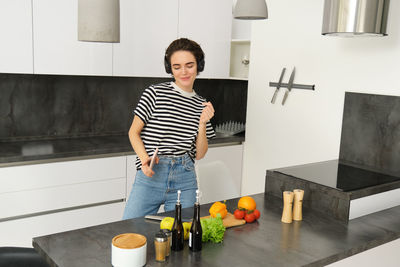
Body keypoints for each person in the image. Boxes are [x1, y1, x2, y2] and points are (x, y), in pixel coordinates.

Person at [123, 38, 216, 219]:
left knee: (181, 237)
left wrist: (203, 123)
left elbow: (199, 154)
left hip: (185, 177)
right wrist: (144, 160)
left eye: (189, 65)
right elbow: (133, 132)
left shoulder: (201, 104)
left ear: (198, 65)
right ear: (170, 68)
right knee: (131, 231)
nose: (183, 72)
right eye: (177, 66)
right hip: (152, 173)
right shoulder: (155, 93)